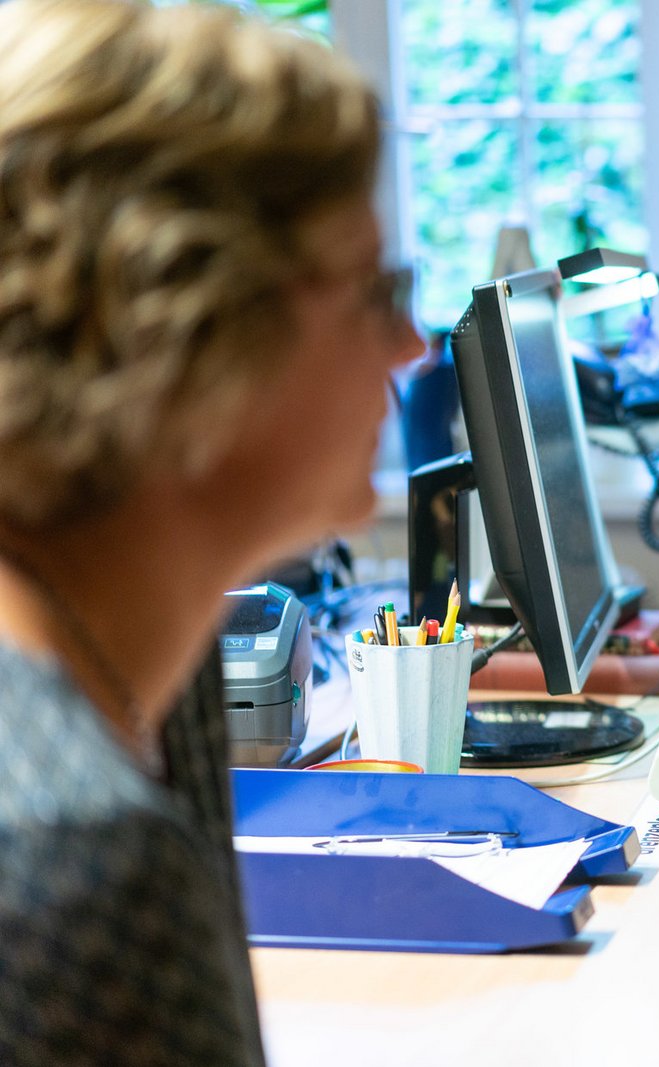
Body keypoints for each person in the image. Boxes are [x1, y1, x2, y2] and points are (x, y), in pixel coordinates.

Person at [0, 2, 422, 1063]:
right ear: (189, 324)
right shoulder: (75, 853)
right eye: (376, 291)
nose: (412, 344)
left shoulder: (149, 694)